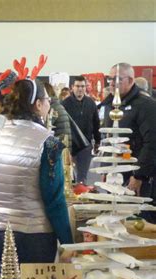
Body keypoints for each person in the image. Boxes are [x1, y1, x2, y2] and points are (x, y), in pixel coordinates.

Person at [0, 79, 73, 264]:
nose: (49, 104)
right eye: (47, 99)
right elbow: (54, 199)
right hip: (36, 236)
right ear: (38, 104)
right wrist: (67, 242)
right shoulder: (49, 143)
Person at [102, 63, 156, 222]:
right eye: (109, 79)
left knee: (139, 224)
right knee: (117, 221)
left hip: (139, 178)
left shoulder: (146, 105)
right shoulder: (110, 104)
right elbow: (110, 138)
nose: (111, 83)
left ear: (131, 80)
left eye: (117, 79)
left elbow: (152, 142)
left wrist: (140, 175)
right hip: (116, 176)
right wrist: (106, 167)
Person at [62, 76, 100, 184]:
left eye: (83, 86)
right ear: (72, 87)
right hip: (69, 146)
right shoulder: (64, 104)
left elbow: (96, 123)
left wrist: (98, 141)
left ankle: (81, 197)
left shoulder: (91, 103)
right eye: (77, 86)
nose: (80, 89)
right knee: (67, 178)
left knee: (82, 178)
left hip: (86, 146)